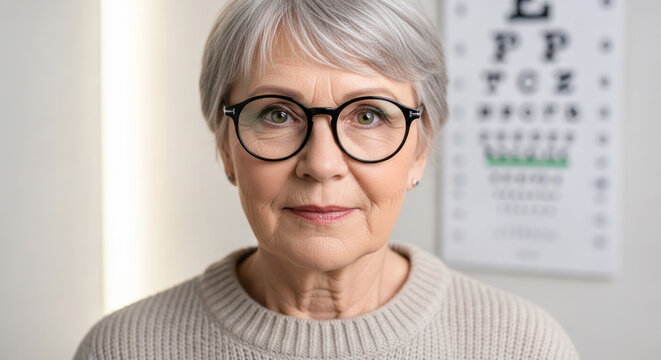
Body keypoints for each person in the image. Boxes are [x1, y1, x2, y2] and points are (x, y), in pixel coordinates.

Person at [74, 0, 580, 359]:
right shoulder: (123, 348)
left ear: (421, 149)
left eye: (368, 117)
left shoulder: (523, 346)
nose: (321, 163)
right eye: (275, 114)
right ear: (225, 146)